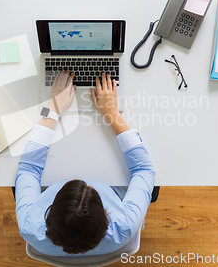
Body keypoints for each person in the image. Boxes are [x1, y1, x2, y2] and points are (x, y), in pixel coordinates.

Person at [15, 70, 155, 256]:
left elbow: (29, 167)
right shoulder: (124, 225)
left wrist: (53, 109)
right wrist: (112, 113)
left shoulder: (29, 226)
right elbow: (144, 169)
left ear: (48, 215)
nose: (82, 178)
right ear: (106, 217)